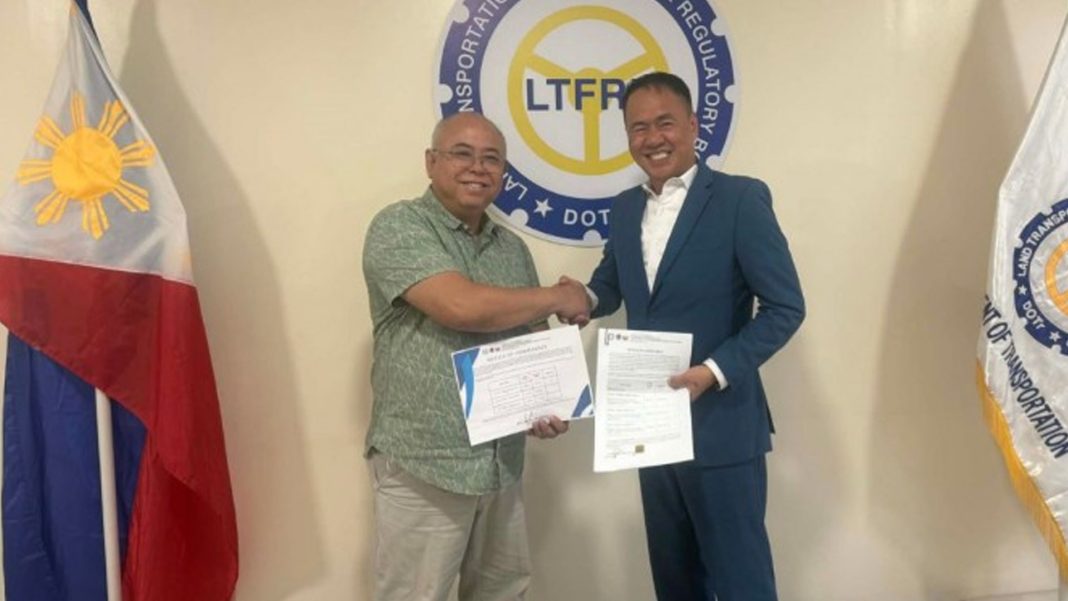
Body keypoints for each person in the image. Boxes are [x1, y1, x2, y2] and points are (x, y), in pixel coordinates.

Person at [579, 72, 805, 601]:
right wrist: (577, 299)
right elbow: (609, 286)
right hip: (649, 426)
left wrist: (713, 371)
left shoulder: (740, 199)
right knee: (675, 580)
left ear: (693, 125)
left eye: (665, 123)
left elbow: (785, 308)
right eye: (638, 128)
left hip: (720, 425)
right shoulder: (624, 208)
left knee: (742, 582)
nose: (652, 138)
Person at [362, 112, 589, 601]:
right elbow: (460, 307)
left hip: (499, 464)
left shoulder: (512, 249)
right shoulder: (399, 226)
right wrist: (558, 296)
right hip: (427, 462)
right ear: (431, 162)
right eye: (462, 154)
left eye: (492, 159)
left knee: (504, 591)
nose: (478, 168)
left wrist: (548, 404)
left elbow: (531, 340)